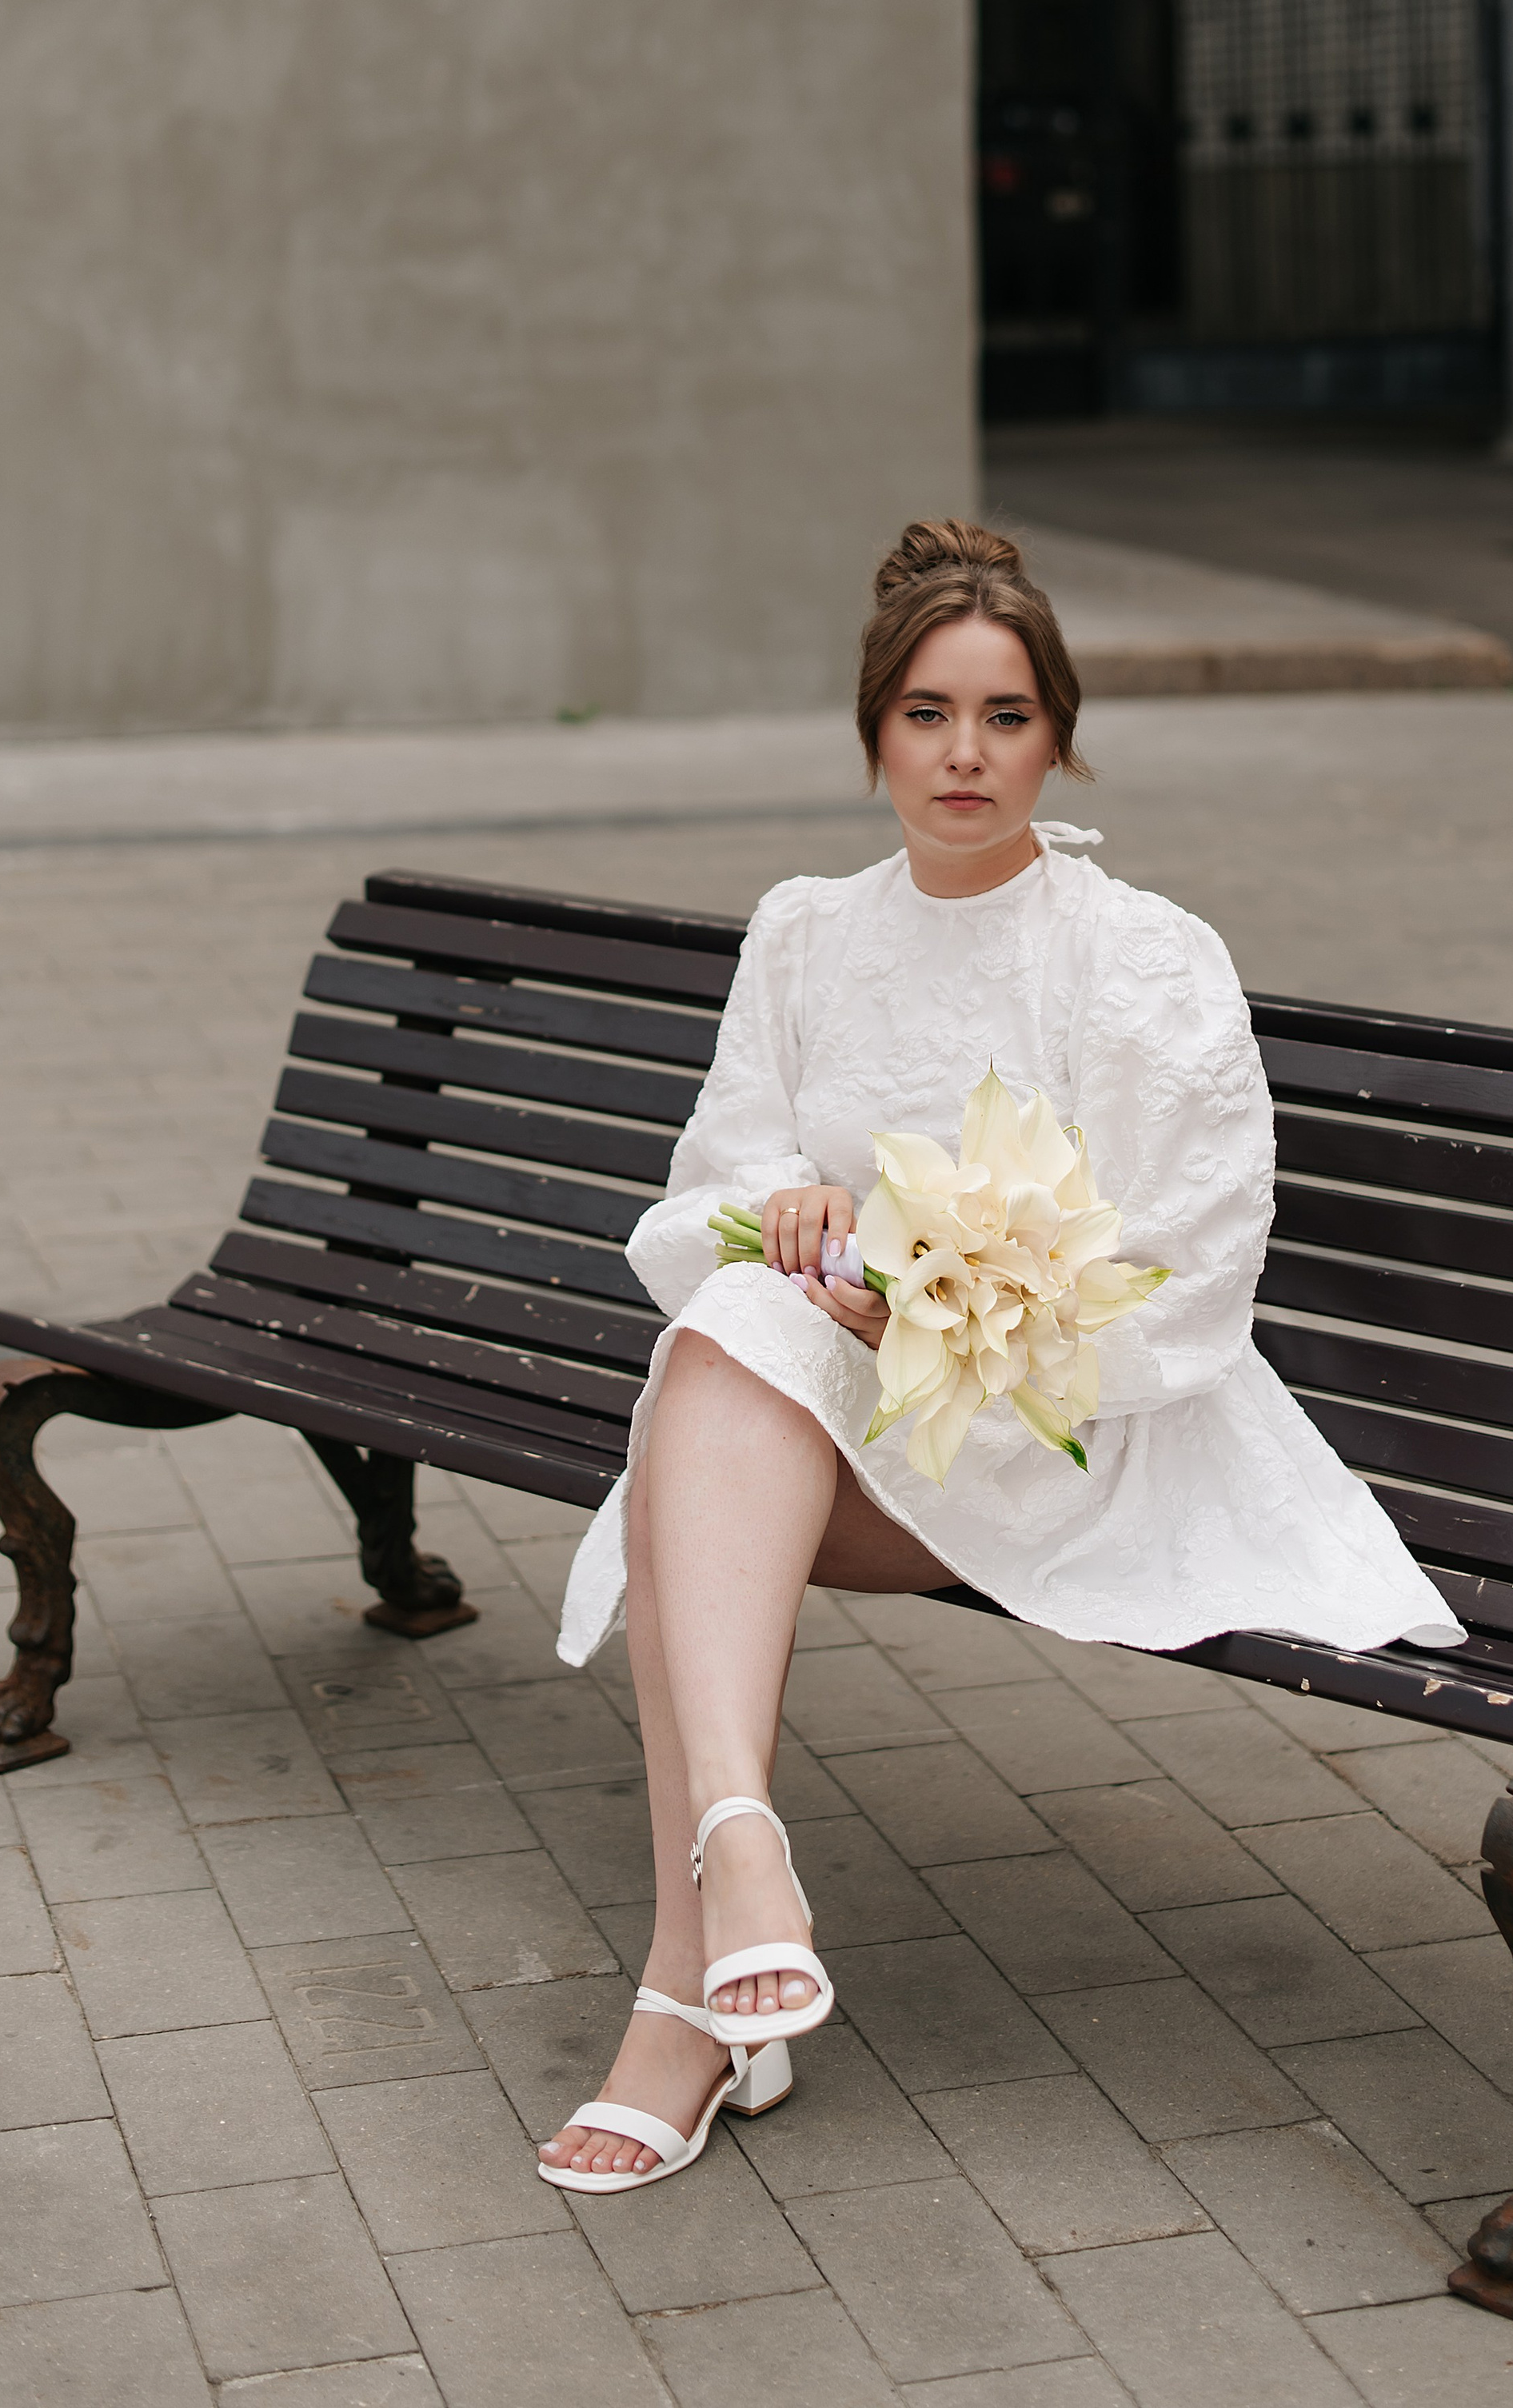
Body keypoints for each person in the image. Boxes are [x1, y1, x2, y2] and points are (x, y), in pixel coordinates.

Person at [537, 518, 1462, 2191]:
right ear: (872, 729)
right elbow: (708, 1194)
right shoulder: (804, 932)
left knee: (696, 1442)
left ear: (1058, 731)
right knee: (729, 1326)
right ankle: (731, 1879)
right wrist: (790, 1210)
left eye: (1005, 716)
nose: (964, 755)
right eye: (926, 715)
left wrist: (977, 1314)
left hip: (1066, 1443)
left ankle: (696, 1976)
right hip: (827, 1422)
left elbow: (1192, 1272)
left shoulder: (1136, 956)